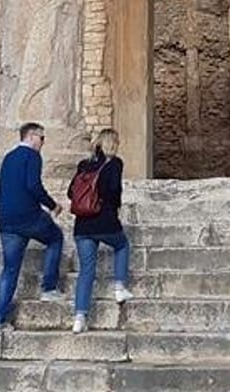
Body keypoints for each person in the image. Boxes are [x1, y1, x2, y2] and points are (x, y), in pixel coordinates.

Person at [0, 121, 65, 330]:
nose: (43, 142)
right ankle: (49, 288)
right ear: (31, 136)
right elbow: (33, 185)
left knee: (10, 269)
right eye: (42, 138)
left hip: (6, 219)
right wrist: (53, 205)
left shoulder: (8, 157)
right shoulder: (32, 156)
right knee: (56, 238)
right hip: (28, 216)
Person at [67, 128, 133, 334]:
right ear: (113, 144)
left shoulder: (84, 165)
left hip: (82, 224)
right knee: (122, 245)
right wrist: (114, 205)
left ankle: (79, 317)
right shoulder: (114, 163)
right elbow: (113, 189)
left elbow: (71, 192)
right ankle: (119, 287)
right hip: (105, 220)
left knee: (86, 271)